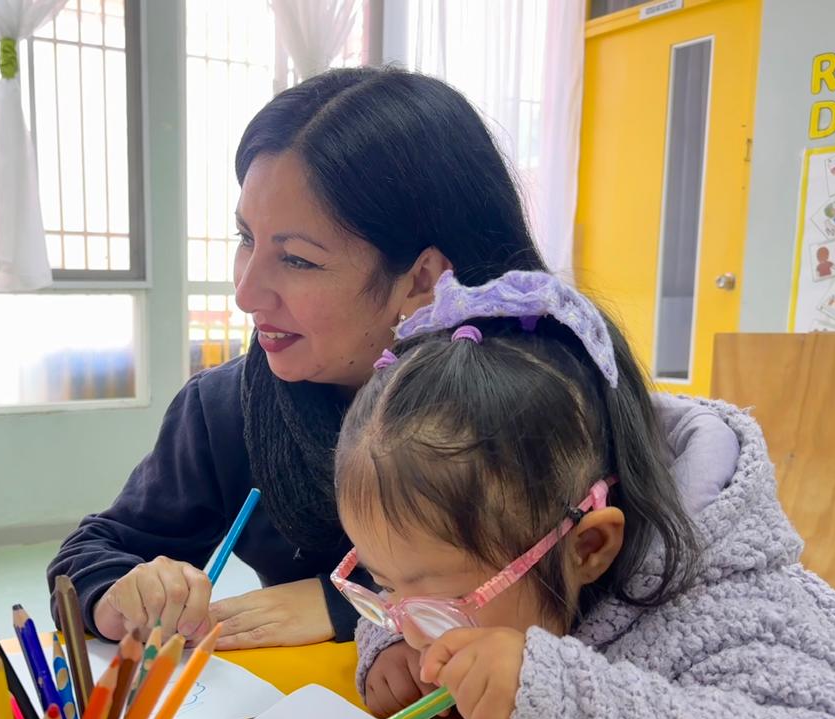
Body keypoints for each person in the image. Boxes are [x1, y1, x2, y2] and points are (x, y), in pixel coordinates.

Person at [333, 268, 835, 719]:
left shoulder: (735, 612)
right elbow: (413, 587)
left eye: (442, 604)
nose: (419, 631)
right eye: (383, 586)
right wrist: (391, 639)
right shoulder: (485, 556)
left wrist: (559, 700)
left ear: (589, 547)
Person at [48, 66, 545, 649]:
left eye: (298, 260)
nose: (245, 294)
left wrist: (350, 606)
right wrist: (119, 594)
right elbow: (92, 554)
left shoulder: (537, 406)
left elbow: (566, 589)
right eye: (246, 239)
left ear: (421, 279)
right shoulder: (230, 407)